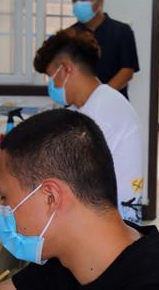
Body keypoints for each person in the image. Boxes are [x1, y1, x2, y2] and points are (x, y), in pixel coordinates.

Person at [0, 109, 159, 290]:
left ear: (51, 197)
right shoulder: (72, 256)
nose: (3, 209)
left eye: (5, 197)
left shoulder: (158, 283)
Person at [33, 28, 144, 223]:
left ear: (66, 69)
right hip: (99, 217)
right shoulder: (91, 105)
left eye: (51, 77)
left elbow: (65, 174)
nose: (51, 85)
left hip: (110, 228)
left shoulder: (102, 112)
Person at [69, 0, 139, 100]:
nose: (78, 4)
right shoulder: (70, 35)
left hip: (114, 101)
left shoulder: (122, 31)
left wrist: (101, 96)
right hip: (80, 102)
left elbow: (127, 70)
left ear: (99, 1)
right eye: (74, 0)